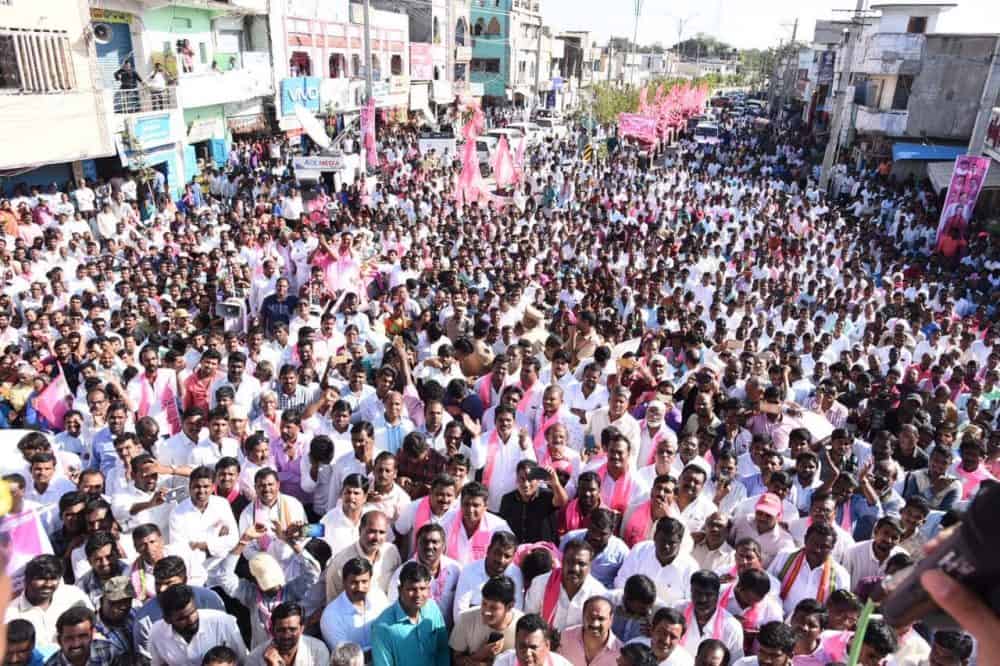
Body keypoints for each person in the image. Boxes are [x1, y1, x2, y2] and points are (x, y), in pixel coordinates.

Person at [370, 561, 450, 666]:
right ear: (399, 590)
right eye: (412, 589)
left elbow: (442, 651)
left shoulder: (432, 608)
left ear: (429, 589)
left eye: (422, 589)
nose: (418, 595)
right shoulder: (382, 627)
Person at [148, 584, 248, 666]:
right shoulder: (157, 633)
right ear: (168, 620)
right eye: (182, 618)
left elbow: (243, 661)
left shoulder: (223, 622)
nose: (191, 620)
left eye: (193, 612)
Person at [7, 555, 92, 649]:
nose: (48, 584)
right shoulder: (10, 613)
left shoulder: (73, 596)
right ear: (27, 580)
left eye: (53, 578)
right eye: (41, 578)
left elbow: (93, 628)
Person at [524, 538, 607, 631]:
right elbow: (529, 621)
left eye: (581, 564)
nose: (575, 568)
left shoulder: (598, 594)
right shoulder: (540, 583)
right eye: (570, 561)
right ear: (562, 561)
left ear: (590, 566)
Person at [320, 557, 389, 654]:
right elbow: (345, 656)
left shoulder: (379, 598)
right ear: (344, 582)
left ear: (370, 580)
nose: (360, 588)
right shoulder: (331, 615)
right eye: (354, 583)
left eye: (364, 582)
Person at [449, 575, 522, 666]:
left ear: (510, 606)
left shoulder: (521, 626)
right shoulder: (466, 619)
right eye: (484, 604)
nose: (486, 612)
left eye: (493, 608)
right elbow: (456, 659)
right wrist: (479, 655)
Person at [245, 602, 329, 666]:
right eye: (281, 630)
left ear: (302, 629)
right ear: (273, 630)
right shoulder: (255, 659)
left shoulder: (317, 651)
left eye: (292, 630)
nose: (286, 635)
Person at [44, 606, 118, 666]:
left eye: (82, 636)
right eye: (69, 638)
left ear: (92, 634)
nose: (76, 643)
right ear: (59, 640)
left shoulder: (108, 651)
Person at [559, 596, 622, 666]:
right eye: (591, 617)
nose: (595, 624)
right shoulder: (564, 637)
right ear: (583, 615)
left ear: (611, 619)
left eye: (601, 619)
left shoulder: (620, 653)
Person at [492, 614, 573, 666]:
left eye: (533, 647)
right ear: (515, 645)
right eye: (522, 646)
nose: (527, 653)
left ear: (547, 646)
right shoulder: (503, 662)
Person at [729, 621, 795, 666]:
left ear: (790, 655)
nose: (766, 660)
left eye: (774, 655)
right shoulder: (743, 664)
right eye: (762, 652)